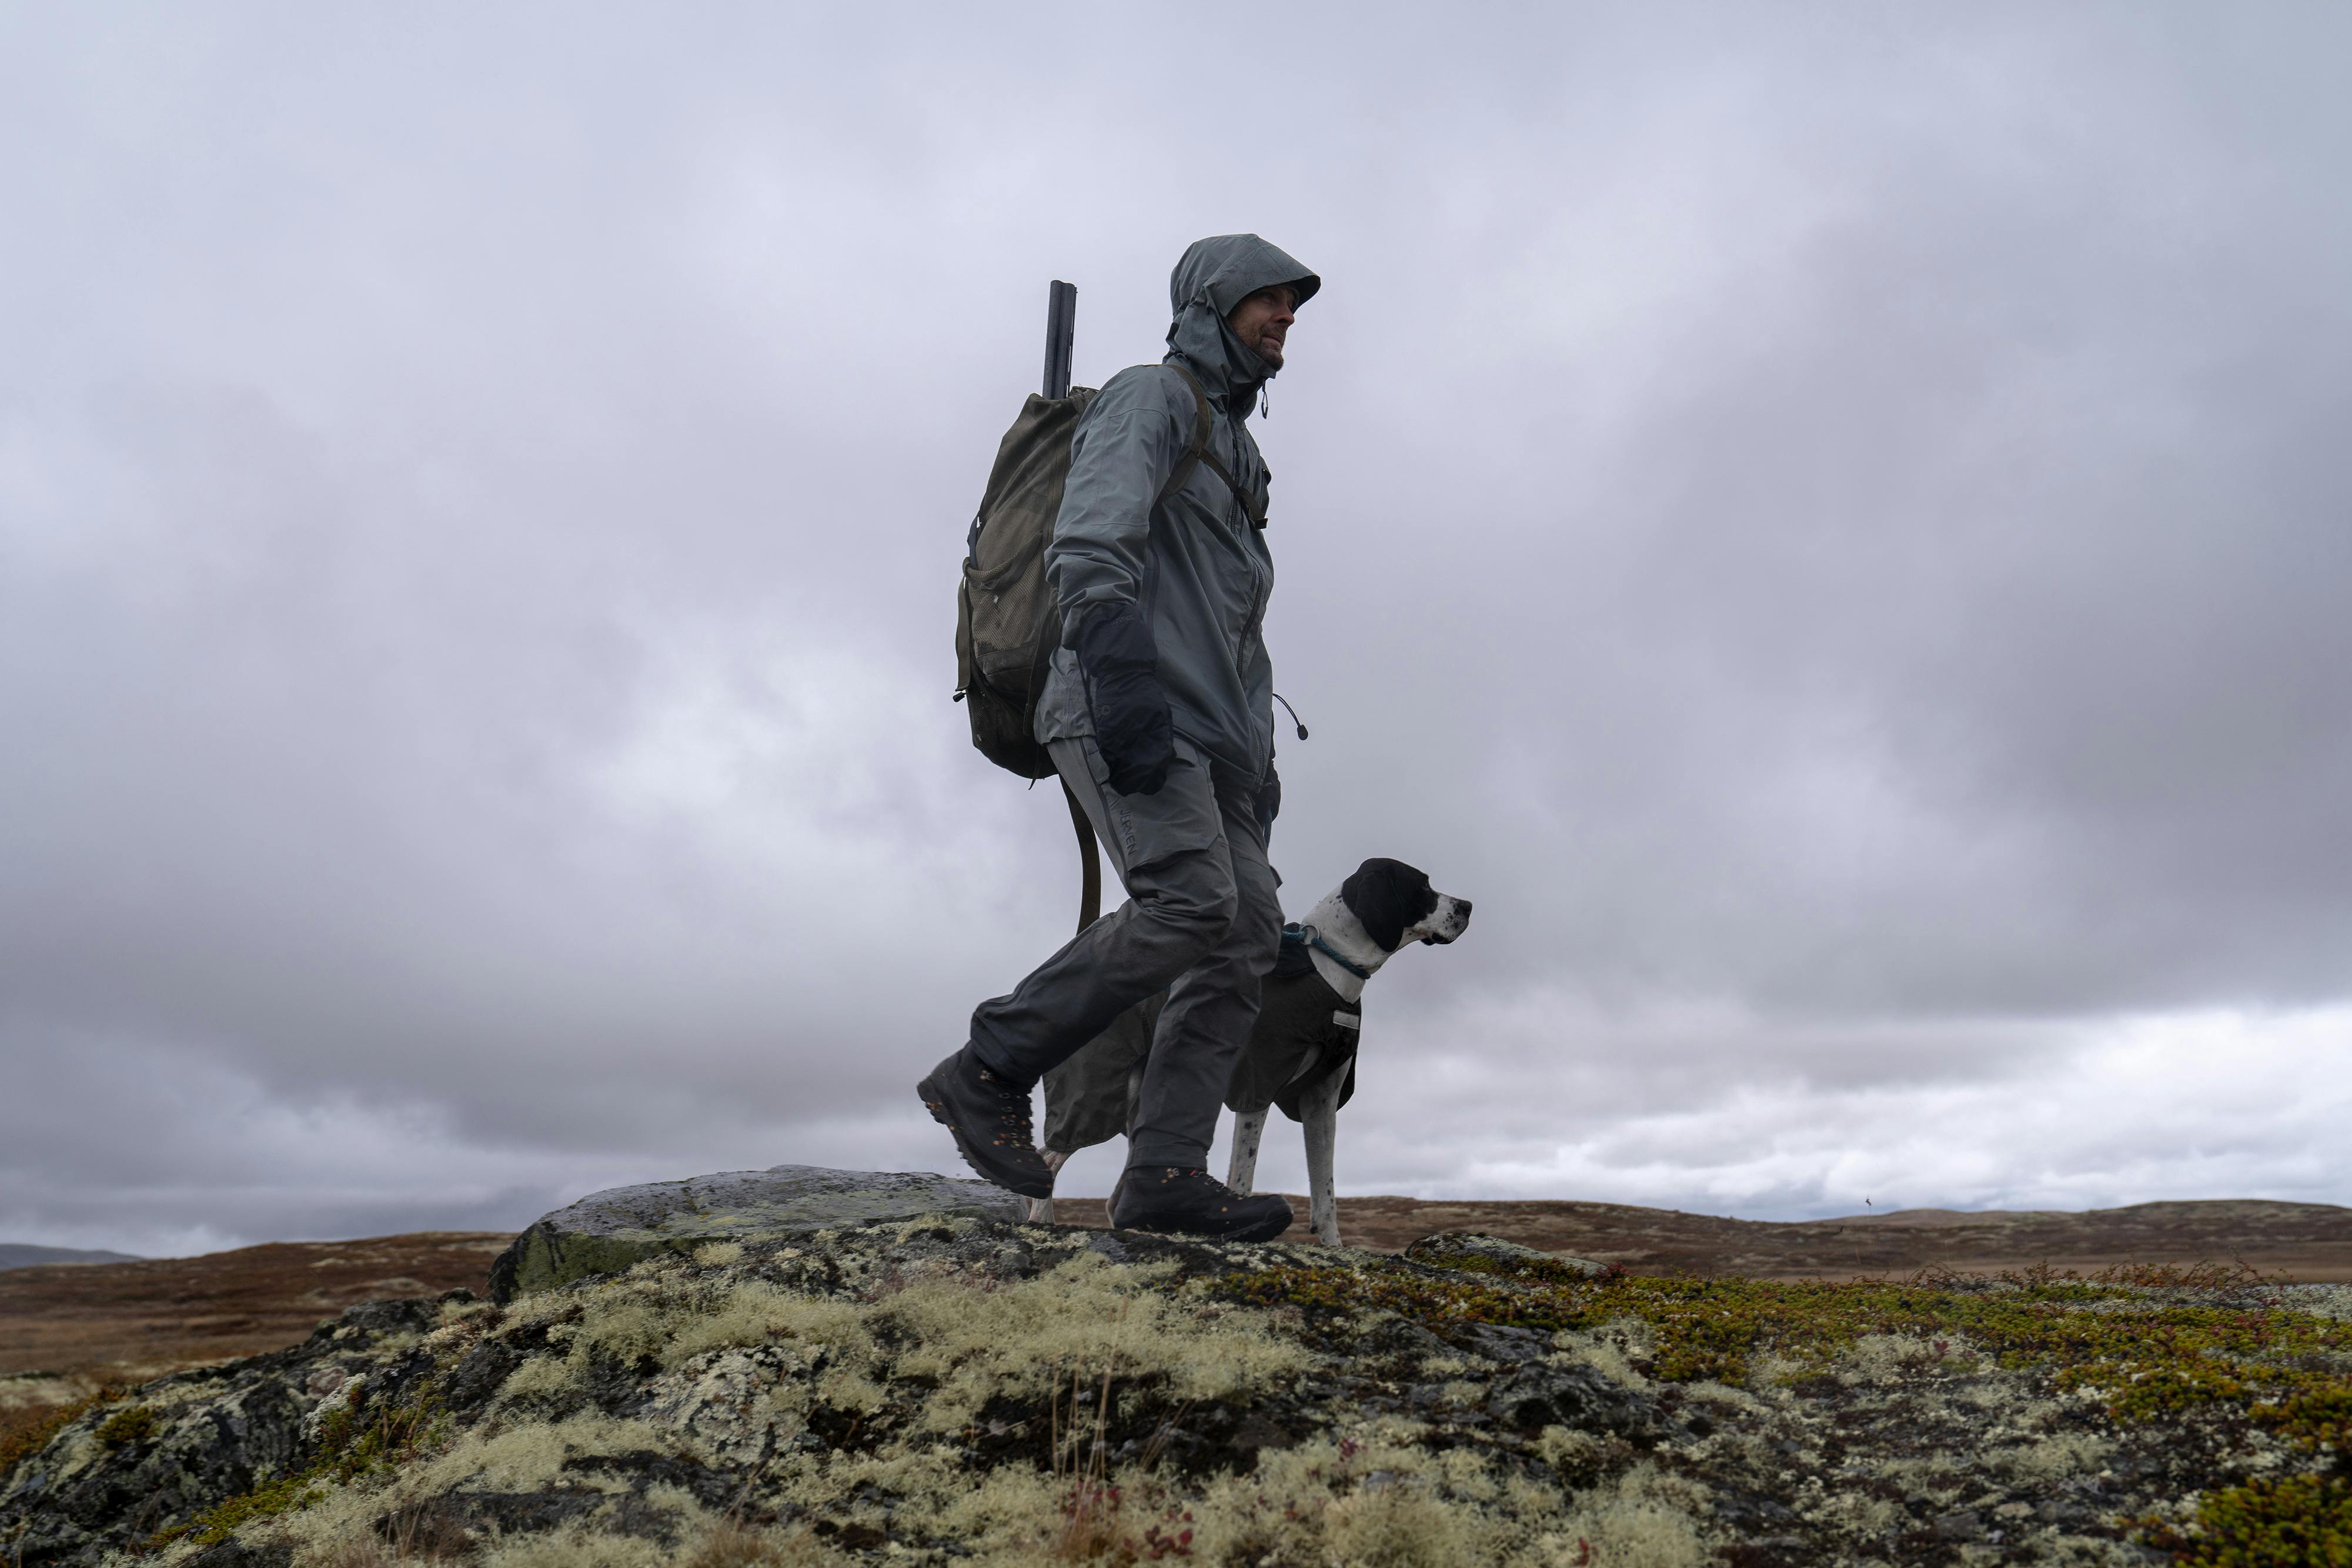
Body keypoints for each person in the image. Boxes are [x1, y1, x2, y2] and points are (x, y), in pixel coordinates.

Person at [920, 234, 1318, 1241]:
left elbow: (1237, 630)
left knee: (1245, 934)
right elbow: (1092, 538)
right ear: (1213, 304)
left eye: (1292, 303)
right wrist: (1122, 682)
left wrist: (1259, 771)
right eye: (1267, 298)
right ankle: (990, 1066)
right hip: (1125, 702)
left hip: (1218, 743)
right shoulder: (1152, 397)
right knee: (1190, 900)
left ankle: (1166, 1172)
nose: (1285, 316)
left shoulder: (1240, 454)